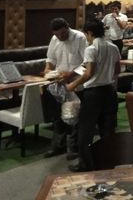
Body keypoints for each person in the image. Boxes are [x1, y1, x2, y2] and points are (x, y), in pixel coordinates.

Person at [65, 18, 121, 172]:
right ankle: (108, 162)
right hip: (110, 92)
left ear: (89, 33)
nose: (87, 38)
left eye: (87, 35)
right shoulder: (113, 47)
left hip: (93, 94)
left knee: (85, 130)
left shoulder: (91, 49)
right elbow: (117, 71)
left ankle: (85, 164)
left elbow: (89, 73)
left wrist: (73, 84)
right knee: (107, 130)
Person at [43, 18, 88, 160]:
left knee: (74, 117)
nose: (60, 37)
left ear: (67, 27)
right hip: (58, 84)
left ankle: (72, 149)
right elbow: (50, 59)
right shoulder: (55, 39)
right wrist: (48, 71)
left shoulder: (80, 37)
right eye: (57, 35)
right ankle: (57, 146)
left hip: (76, 83)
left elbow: (87, 62)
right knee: (57, 117)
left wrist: (71, 74)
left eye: (63, 34)